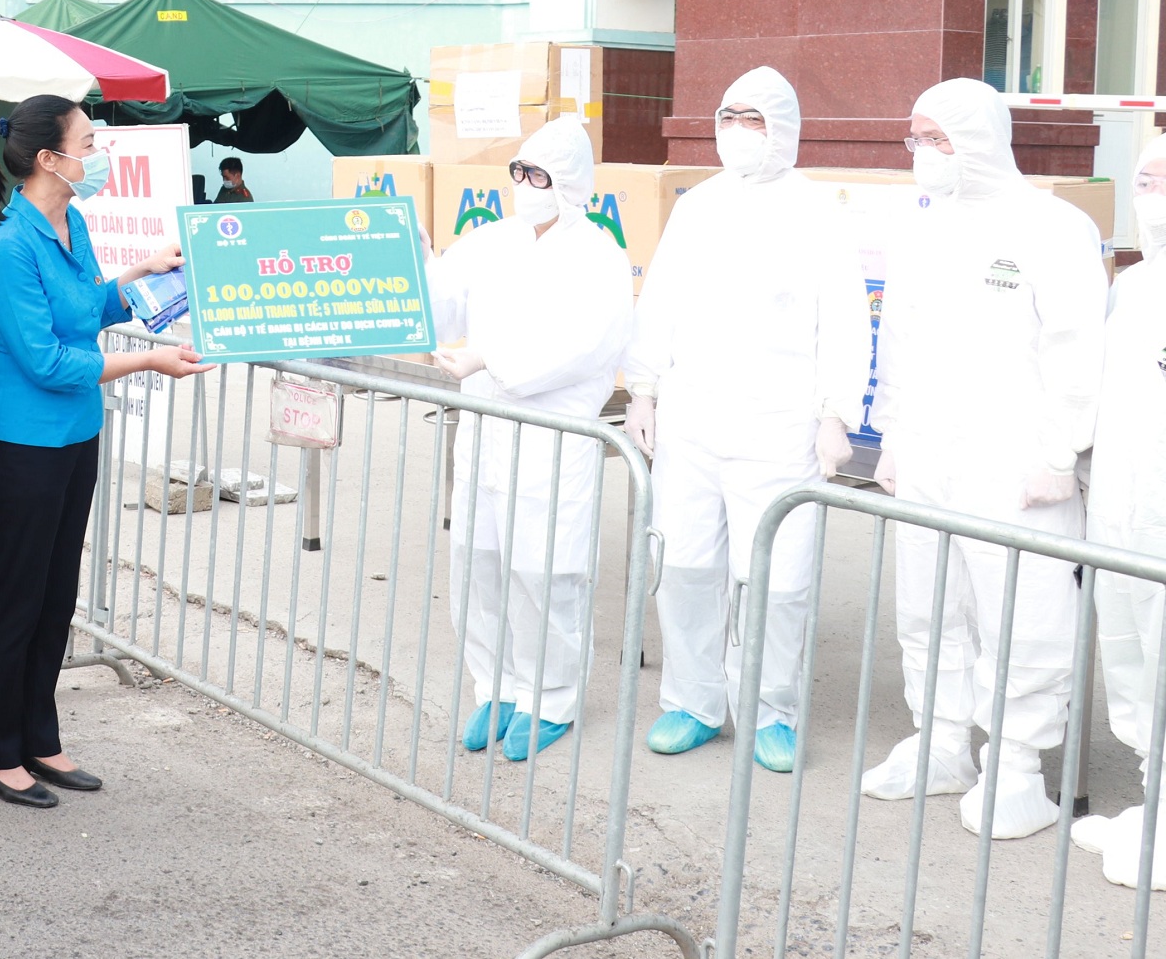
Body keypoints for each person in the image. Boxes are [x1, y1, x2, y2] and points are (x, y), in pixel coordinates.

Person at [861, 78, 1106, 839]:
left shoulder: (1051, 226)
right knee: (928, 603)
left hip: (1015, 460)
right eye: (914, 137)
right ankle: (940, 741)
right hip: (932, 452)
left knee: (1023, 609)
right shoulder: (921, 228)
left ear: (976, 139)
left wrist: (1061, 451)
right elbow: (898, 342)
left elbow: (1077, 349)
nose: (920, 153)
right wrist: (893, 436)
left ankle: (1019, 763)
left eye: (933, 138)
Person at [0, 95, 211, 807]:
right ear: (49, 157)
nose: (98, 150)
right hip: (21, 440)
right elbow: (45, 359)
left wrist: (142, 271)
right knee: (17, 595)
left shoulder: (69, 220)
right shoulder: (7, 248)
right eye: (88, 139)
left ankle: (39, 735)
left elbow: (88, 309)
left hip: (75, 433)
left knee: (57, 593)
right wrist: (147, 362)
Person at [625, 67, 870, 773]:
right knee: (687, 564)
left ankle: (772, 711)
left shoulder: (816, 211)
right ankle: (693, 700)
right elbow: (661, 299)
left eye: (753, 118)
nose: (736, 130)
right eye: (728, 115)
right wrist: (642, 388)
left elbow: (845, 320)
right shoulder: (698, 205)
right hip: (694, 420)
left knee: (776, 577)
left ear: (784, 128)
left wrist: (835, 413)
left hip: (779, 425)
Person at [428, 116, 634, 761]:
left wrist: (489, 359)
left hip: (552, 436)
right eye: (519, 171)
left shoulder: (598, 254)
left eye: (539, 174)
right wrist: (420, 265)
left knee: (545, 571)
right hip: (486, 429)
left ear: (571, 183)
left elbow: (583, 346)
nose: (526, 184)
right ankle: (496, 684)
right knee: (477, 562)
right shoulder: (489, 240)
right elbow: (444, 309)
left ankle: (550, 697)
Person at [1070, 134, 1166, 886]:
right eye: (1145, 176)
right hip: (1120, 505)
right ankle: (1150, 798)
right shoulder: (1132, 286)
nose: (1152, 190)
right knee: (1129, 653)